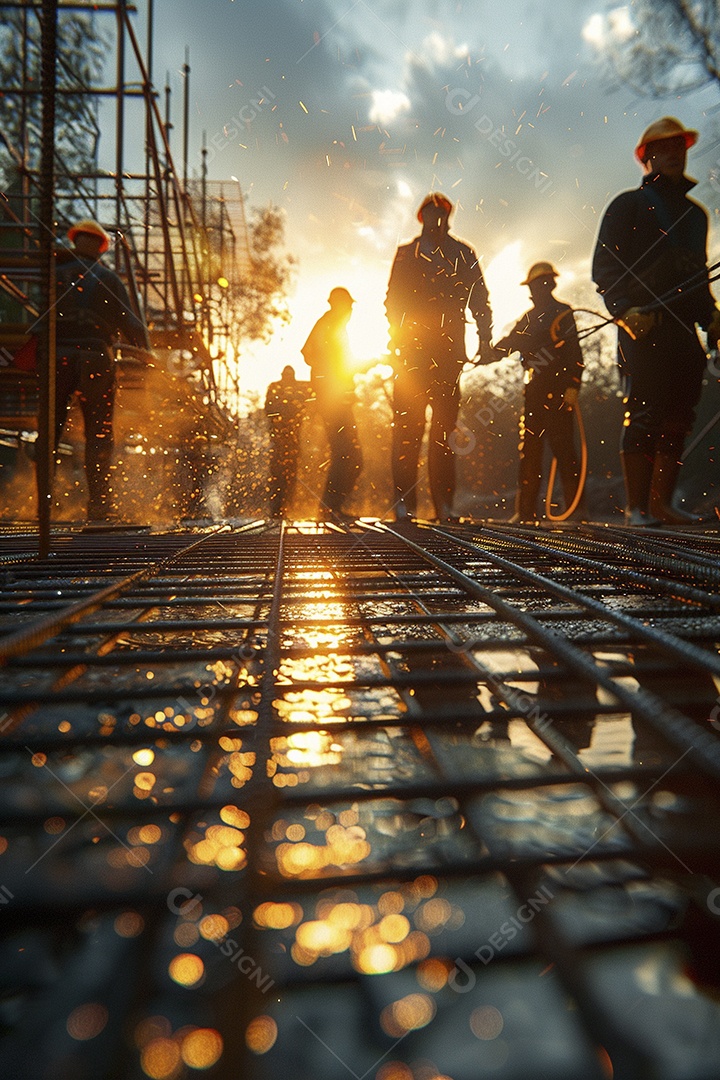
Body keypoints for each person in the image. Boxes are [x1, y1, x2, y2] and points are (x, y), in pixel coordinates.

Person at [592, 117, 720, 525]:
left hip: (683, 330)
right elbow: (604, 267)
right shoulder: (626, 205)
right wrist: (624, 311)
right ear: (646, 157)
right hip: (642, 325)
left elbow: (698, 276)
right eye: (664, 148)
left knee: (679, 415)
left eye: (679, 147)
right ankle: (637, 508)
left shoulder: (697, 216)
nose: (674, 154)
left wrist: (712, 318)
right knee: (644, 412)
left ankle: (662, 504)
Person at [385, 193, 493, 521]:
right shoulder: (406, 254)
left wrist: (485, 339)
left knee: (444, 432)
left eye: (441, 213)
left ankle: (444, 504)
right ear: (422, 217)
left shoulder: (463, 252)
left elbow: (480, 299)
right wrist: (396, 340)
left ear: (448, 217)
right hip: (412, 356)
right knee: (407, 430)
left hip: (448, 356)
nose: (437, 219)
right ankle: (404, 505)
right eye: (431, 213)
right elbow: (392, 300)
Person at [55, 219, 150, 521]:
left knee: (50, 432)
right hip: (95, 359)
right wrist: (147, 354)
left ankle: (44, 502)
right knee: (98, 433)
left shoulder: (52, 275)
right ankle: (98, 505)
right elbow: (131, 324)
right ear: (100, 246)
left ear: (75, 241)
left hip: (56, 358)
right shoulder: (108, 279)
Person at [490, 261, 584, 523]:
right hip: (534, 392)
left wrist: (573, 385)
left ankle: (577, 511)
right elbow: (510, 343)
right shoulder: (529, 318)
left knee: (564, 450)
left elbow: (575, 353)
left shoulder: (563, 313)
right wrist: (487, 354)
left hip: (559, 391)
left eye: (540, 284)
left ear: (549, 284)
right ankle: (526, 512)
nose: (536, 290)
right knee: (530, 451)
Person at [301, 287, 362, 520]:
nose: (351, 310)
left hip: (336, 399)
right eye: (349, 306)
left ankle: (331, 508)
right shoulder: (328, 325)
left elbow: (334, 361)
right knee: (348, 455)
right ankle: (328, 509)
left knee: (349, 456)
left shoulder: (334, 327)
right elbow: (312, 354)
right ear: (339, 305)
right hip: (332, 400)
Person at [264, 364, 311, 518]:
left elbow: (307, 404)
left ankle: (286, 508)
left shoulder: (298, 389)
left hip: (292, 440)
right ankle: (276, 509)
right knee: (277, 474)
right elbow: (268, 409)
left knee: (290, 475)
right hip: (278, 439)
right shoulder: (276, 388)